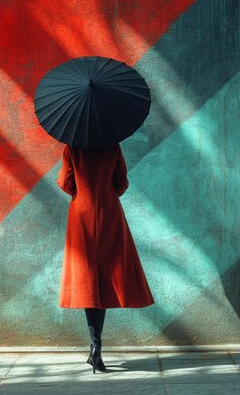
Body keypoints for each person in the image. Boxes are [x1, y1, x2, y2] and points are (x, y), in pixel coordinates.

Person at [56, 143, 155, 373]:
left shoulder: (73, 148)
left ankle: (95, 346)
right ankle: (95, 346)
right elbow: (122, 183)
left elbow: (64, 182)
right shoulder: (112, 146)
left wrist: (82, 190)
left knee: (89, 282)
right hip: (109, 213)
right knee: (106, 278)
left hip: (82, 215)